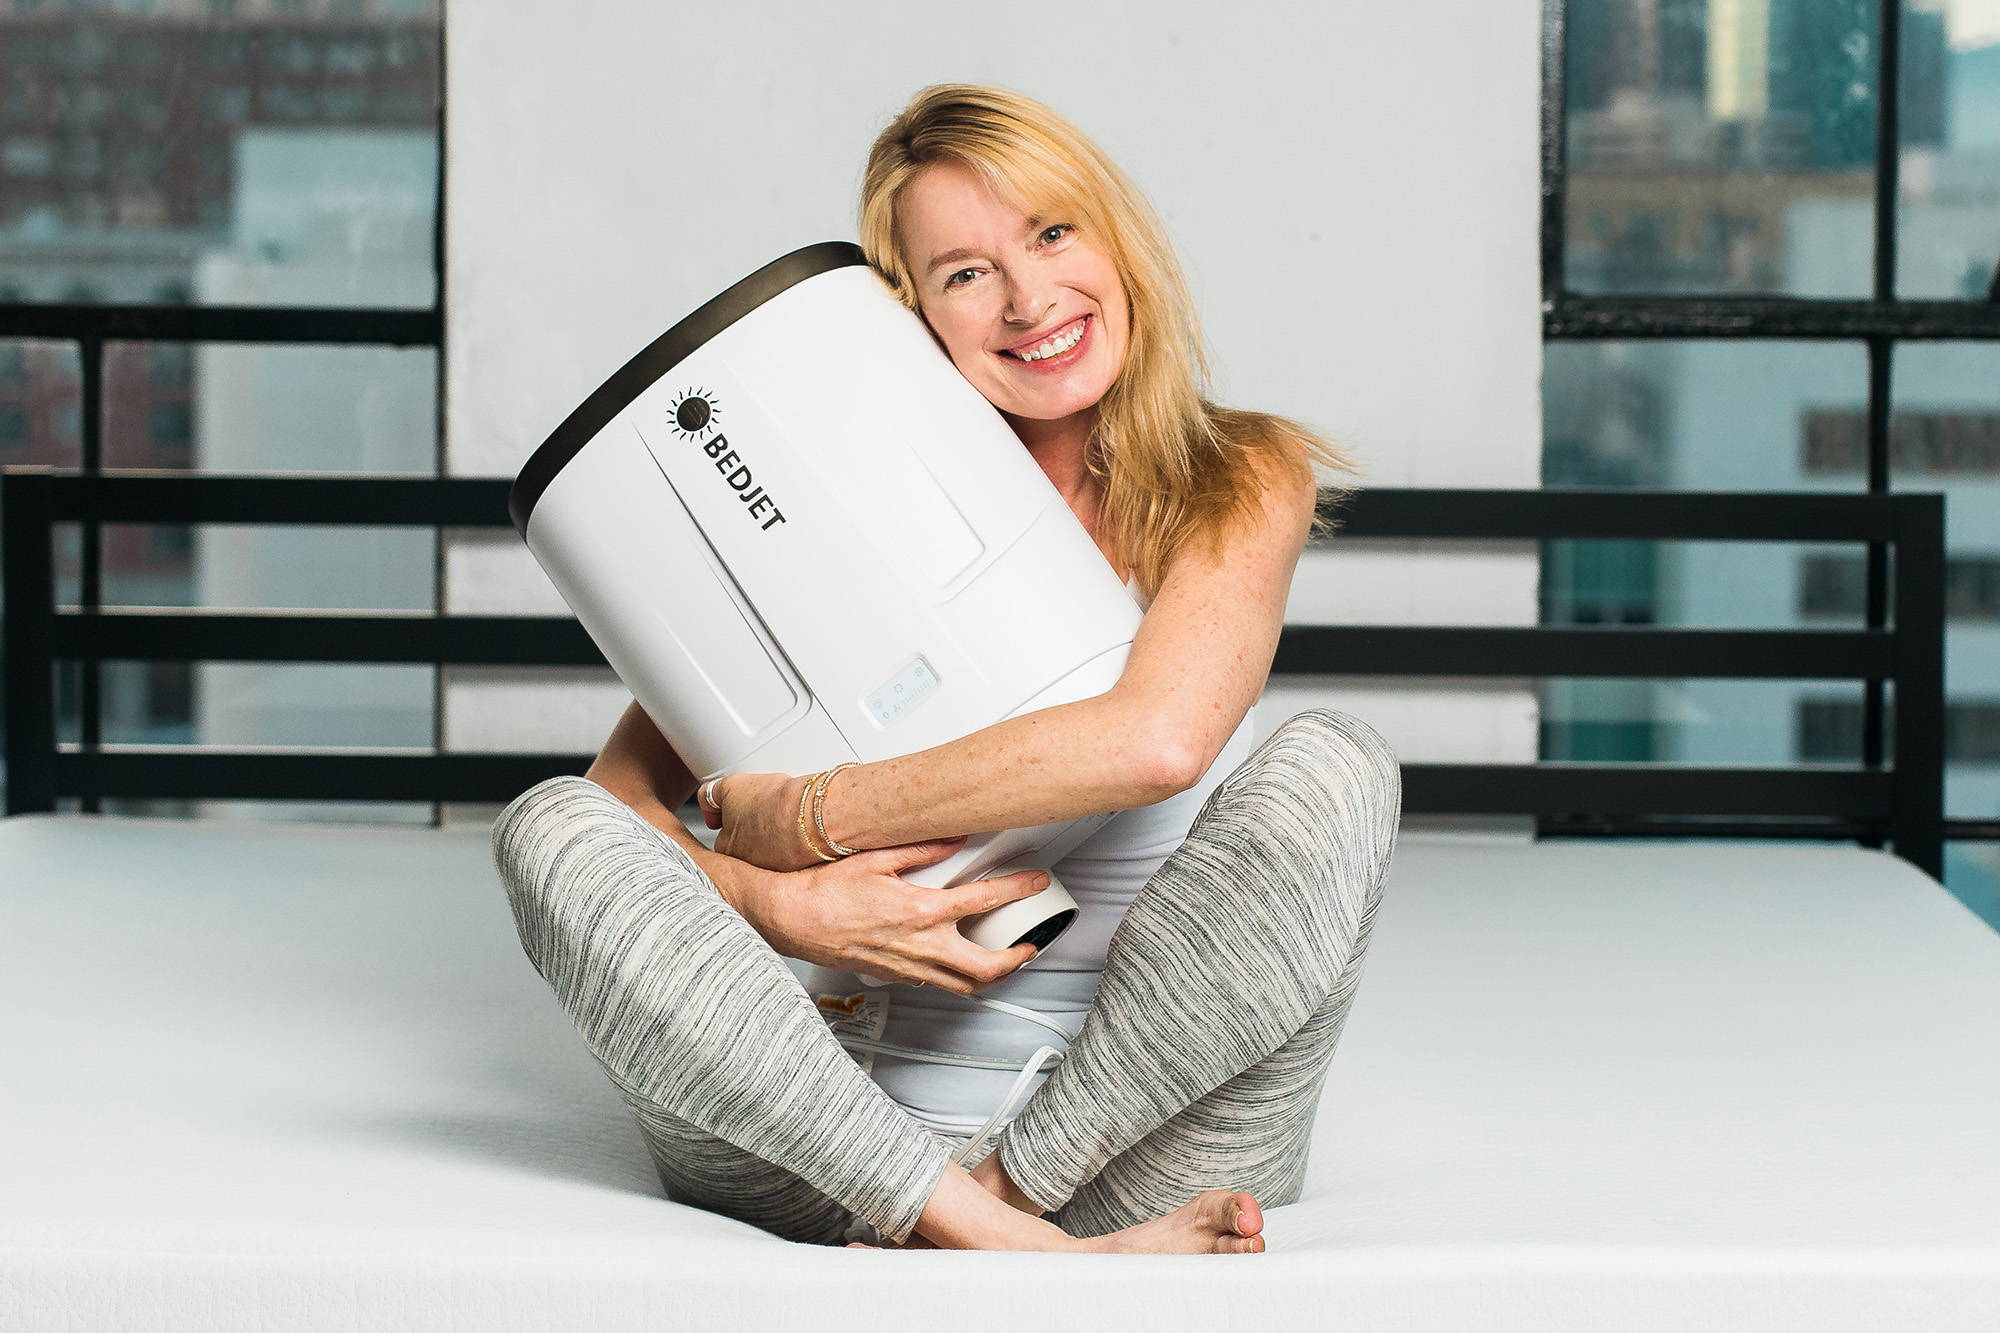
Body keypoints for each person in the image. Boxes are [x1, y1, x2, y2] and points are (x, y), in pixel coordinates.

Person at [492, 82, 1402, 1255]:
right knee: (547, 826)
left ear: (1117, 240)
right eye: (964, 273)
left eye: (1052, 232)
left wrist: (806, 816)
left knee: (1338, 770)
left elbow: (1153, 740)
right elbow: (619, 814)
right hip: (826, 1138)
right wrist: (782, 903)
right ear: (906, 315)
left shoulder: (1238, 472)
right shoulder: (828, 508)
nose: (1030, 298)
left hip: (1142, 1141)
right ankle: (992, 1242)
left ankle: (1003, 1205)